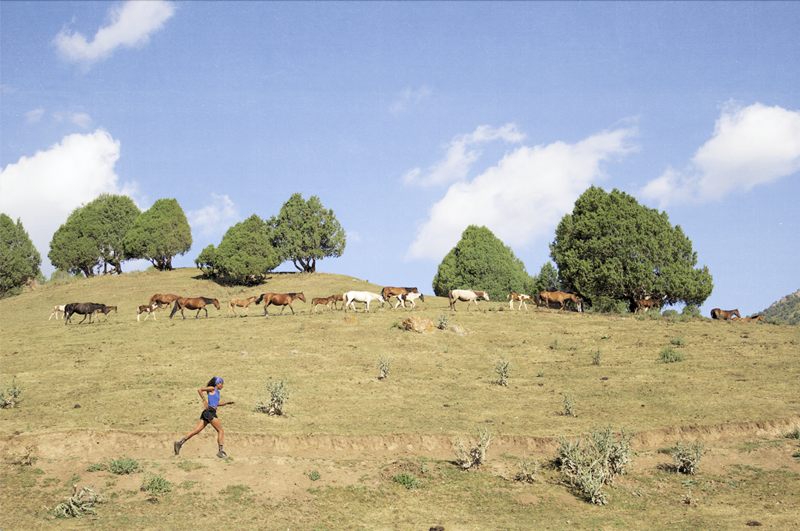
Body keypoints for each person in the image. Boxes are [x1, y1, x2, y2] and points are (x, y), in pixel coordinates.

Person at [174, 377, 234, 458]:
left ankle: (179, 443)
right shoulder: (212, 388)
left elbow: (216, 404)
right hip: (210, 412)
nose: (222, 385)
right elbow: (200, 390)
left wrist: (226, 403)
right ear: (217, 383)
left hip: (208, 412)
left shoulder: (217, 392)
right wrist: (204, 400)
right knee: (220, 430)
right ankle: (220, 451)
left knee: (196, 430)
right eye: (221, 383)